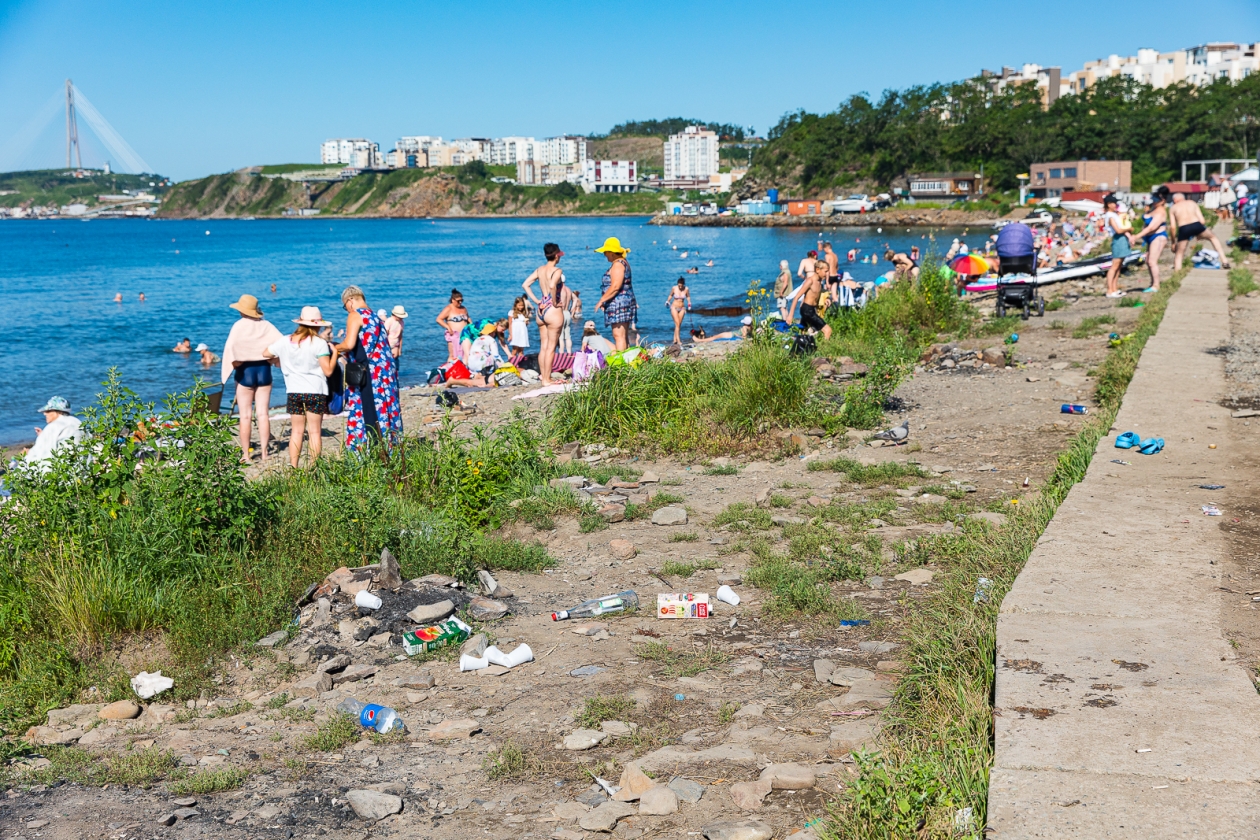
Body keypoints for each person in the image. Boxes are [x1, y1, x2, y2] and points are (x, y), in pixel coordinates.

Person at [264, 306, 338, 468]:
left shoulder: (285, 340)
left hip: (293, 391)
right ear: (317, 325)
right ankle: (313, 467)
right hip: (315, 391)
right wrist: (336, 355)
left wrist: (280, 360)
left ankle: (294, 467)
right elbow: (328, 370)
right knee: (314, 432)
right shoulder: (319, 343)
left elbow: (266, 354)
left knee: (296, 432)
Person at [334, 285, 402, 453]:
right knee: (385, 410)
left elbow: (349, 344)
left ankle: (369, 454)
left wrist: (334, 349)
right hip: (386, 372)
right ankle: (389, 451)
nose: (346, 310)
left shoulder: (355, 315)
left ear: (350, 301)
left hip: (368, 373)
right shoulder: (377, 318)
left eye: (345, 306)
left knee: (367, 412)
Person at [221, 294, 282, 463]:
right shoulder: (266, 325)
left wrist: (236, 362)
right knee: (263, 414)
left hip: (245, 372)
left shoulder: (238, 326)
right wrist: (271, 358)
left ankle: (246, 455)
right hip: (264, 371)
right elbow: (280, 344)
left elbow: (231, 350)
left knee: (245, 416)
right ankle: (264, 453)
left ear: (242, 311)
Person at [522, 243, 566, 385]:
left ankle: (544, 377)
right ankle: (546, 379)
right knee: (551, 347)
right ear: (556, 255)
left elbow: (525, 284)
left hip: (541, 309)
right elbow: (553, 285)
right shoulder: (557, 270)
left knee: (543, 346)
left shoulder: (540, 269)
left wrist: (536, 301)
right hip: (552, 310)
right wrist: (554, 302)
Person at [593, 237, 637, 352]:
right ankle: (627, 363)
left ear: (611, 253)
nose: (604, 255)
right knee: (623, 336)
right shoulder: (622, 262)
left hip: (619, 304)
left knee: (618, 336)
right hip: (624, 302)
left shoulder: (618, 265)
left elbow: (615, 286)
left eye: (605, 252)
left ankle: (621, 365)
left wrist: (601, 300)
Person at [1170, 191, 1231, 271]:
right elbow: (1202, 221)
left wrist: (1173, 243)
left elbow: (1173, 227)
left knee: (1179, 252)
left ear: (1175, 200)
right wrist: (1199, 234)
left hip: (1183, 228)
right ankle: (1224, 261)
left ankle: (1177, 273)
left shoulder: (1173, 208)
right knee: (1213, 238)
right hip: (1197, 225)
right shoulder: (1192, 203)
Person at [23, 396, 83, 470]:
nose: (45, 413)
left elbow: (43, 457)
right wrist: (44, 435)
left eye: (48, 411)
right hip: (81, 472)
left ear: (58, 412)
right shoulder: (77, 422)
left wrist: (28, 454)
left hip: (62, 475)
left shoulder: (54, 426)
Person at [1133, 189, 1170, 292]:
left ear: (1163, 201)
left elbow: (1151, 228)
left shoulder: (1161, 212)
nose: (1154, 202)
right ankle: (1153, 283)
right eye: (1154, 199)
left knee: (1152, 261)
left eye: (1157, 200)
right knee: (1148, 261)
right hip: (1150, 237)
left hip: (1158, 237)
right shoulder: (1153, 209)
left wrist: (1136, 236)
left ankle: (1156, 285)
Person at [1101, 195, 1136, 298]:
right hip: (1118, 239)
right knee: (1114, 266)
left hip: (1121, 239)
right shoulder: (1110, 216)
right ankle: (1110, 290)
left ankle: (1114, 288)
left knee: (1119, 266)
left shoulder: (1114, 214)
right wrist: (1128, 229)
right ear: (1108, 204)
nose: (1115, 205)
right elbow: (1118, 230)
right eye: (1113, 203)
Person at [787, 261, 832, 341]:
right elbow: (796, 297)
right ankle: (825, 350)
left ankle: (800, 346)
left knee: (803, 332)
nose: (827, 273)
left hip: (812, 310)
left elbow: (818, 292)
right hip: (807, 310)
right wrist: (790, 316)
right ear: (818, 270)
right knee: (827, 330)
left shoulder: (819, 282)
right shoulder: (810, 281)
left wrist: (826, 299)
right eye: (826, 271)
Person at [436, 289, 470, 362]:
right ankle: (449, 370)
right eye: (458, 301)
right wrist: (448, 327)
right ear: (453, 300)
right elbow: (439, 319)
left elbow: (468, 318)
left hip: (465, 335)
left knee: (466, 354)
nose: (460, 302)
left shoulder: (463, 308)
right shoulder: (449, 308)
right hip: (454, 335)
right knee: (453, 355)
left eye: (462, 300)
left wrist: (472, 327)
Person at [666, 277, 692, 345]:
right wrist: (668, 301)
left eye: (681, 285)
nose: (680, 287)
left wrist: (689, 303)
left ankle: (674, 339)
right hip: (674, 307)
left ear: (683, 284)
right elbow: (670, 295)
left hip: (682, 308)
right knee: (677, 323)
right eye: (679, 285)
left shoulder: (686, 289)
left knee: (679, 324)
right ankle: (678, 340)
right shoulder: (674, 288)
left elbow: (688, 296)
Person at [384, 305, 408, 372]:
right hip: (387, 347)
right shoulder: (389, 321)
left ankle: (395, 380)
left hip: (395, 346)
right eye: (400, 316)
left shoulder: (401, 322)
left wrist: (399, 349)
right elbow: (384, 336)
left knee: (395, 367)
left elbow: (400, 336)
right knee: (387, 367)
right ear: (395, 314)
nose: (401, 318)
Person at [558, 284, 577, 353]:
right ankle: (569, 352)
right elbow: (575, 299)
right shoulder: (568, 290)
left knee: (561, 337)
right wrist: (571, 308)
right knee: (568, 336)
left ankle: (561, 353)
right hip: (567, 313)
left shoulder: (559, 290)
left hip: (560, 313)